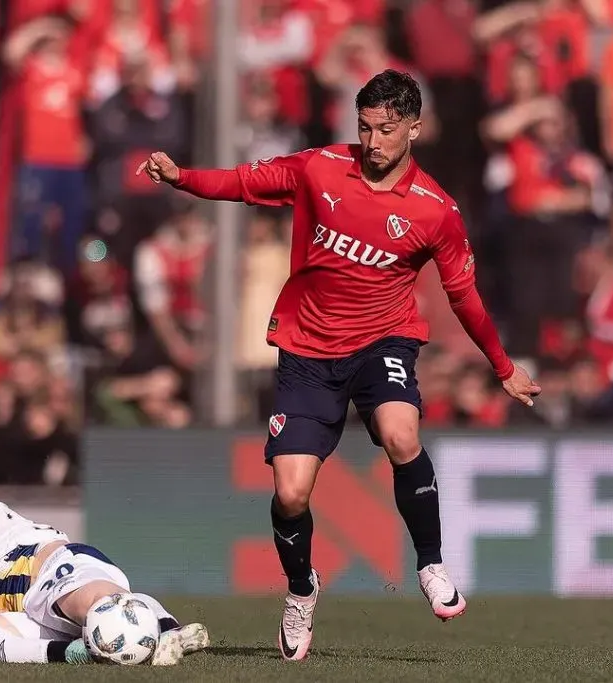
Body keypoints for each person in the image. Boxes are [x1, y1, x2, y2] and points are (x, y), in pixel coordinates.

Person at [136, 69, 541, 661]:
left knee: (401, 433)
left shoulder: (435, 211)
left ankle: (430, 561)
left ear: (414, 129)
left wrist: (503, 367)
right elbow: (245, 182)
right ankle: (301, 590)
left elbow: (464, 296)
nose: (373, 142)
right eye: (365, 128)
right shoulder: (321, 167)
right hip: (307, 349)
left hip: (384, 341)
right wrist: (182, 178)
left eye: (386, 129)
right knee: (292, 492)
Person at [0, 473, 209, 666]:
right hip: (25, 614)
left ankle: (168, 631)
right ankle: (74, 653)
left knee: (99, 606)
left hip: (53, 570)